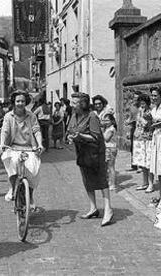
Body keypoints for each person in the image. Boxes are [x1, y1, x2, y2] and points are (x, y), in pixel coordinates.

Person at [67, 92, 113, 226]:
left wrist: (80, 136)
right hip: (82, 152)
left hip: (95, 153)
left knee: (101, 180)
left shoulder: (92, 116)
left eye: (75, 103)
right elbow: (70, 130)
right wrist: (71, 137)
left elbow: (97, 137)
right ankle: (93, 208)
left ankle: (108, 209)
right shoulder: (74, 116)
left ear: (83, 104)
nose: (72, 105)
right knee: (87, 179)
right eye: (72, 102)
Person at [0, 90, 44, 208]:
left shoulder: (31, 115)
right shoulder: (9, 116)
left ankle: (31, 196)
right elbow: (5, 130)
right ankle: (13, 187)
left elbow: (36, 130)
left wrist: (39, 144)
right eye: (18, 101)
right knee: (11, 163)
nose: (20, 103)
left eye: (23, 101)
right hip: (13, 148)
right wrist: (2, 144)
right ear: (14, 102)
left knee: (33, 172)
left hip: (30, 148)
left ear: (26, 102)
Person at [132, 94, 154, 192]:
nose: (142, 105)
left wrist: (142, 119)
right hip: (140, 138)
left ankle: (151, 184)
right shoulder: (140, 110)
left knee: (148, 163)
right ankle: (145, 182)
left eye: (144, 103)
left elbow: (148, 124)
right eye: (141, 103)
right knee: (142, 163)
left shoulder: (151, 111)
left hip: (148, 138)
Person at [102, 113, 118, 191]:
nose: (106, 122)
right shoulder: (107, 128)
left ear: (112, 121)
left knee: (111, 167)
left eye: (107, 120)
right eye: (105, 120)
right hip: (107, 148)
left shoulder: (111, 129)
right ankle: (109, 182)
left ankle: (113, 184)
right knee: (107, 167)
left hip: (111, 148)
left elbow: (106, 138)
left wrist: (100, 133)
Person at [125, 92, 140, 171]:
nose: (136, 99)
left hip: (141, 128)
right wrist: (128, 130)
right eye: (135, 98)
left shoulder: (142, 107)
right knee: (132, 147)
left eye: (137, 98)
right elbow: (130, 117)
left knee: (139, 146)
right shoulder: (132, 107)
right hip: (133, 127)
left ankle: (140, 166)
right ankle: (134, 164)